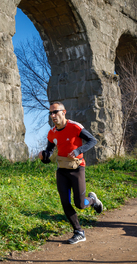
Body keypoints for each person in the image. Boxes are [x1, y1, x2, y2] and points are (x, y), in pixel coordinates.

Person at [39, 101, 103, 244]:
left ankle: (92, 200)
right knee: (65, 202)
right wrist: (44, 156)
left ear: (64, 112)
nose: (53, 115)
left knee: (80, 204)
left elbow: (93, 140)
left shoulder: (75, 127)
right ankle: (79, 232)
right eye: (50, 113)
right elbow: (49, 151)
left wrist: (78, 150)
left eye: (55, 112)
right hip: (62, 171)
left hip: (77, 169)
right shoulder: (52, 133)